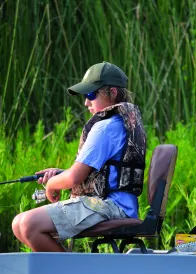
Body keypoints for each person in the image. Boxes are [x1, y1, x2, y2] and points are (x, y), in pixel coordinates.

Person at [12, 62, 147, 252]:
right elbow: (102, 173)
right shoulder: (121, 123)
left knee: (27, 225)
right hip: (117, 205)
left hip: (110, 206)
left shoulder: (105, 127)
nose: (86, 102)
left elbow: (75, 177)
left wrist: (52, 184)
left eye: (91, 95)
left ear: (113, 93)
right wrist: (59, 174)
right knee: (19, 224)